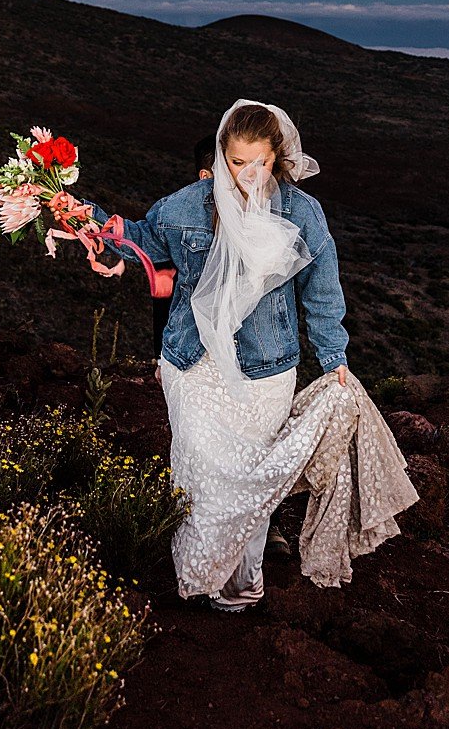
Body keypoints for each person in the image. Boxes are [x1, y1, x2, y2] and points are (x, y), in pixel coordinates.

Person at [126, 100, 351, 611]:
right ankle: (203, 571)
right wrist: (90, 223)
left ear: (279, 158)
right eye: (236, 161)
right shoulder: (186, 205)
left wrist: (333, 356)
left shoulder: (301, 212)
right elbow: (141, 239)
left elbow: (321, 290)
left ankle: (241, 584)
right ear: (221, 155)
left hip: (266, 371)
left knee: (248, 479)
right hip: (192, 364)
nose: (248, 174)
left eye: (261, 162)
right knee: (202, 475)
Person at [149, 132, 218, 341]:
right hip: (188, 341)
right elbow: (164, 298)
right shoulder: (175, 218)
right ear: (205, 176)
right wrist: (161, 355)